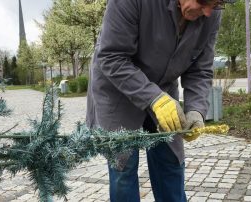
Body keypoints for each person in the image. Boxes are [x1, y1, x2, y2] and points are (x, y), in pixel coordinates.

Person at [86, 0, 236, 201]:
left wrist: (196, 109)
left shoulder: (211, 12)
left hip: (163, 89)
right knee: (123, 167)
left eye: (216, 4)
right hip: (117, 88)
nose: (208, 12)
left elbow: (200, 68)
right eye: (203, 2)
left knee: (171, 161)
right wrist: (152, 98)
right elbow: (112, 57)